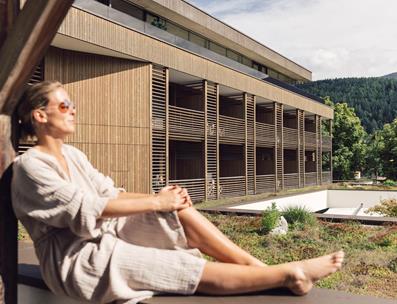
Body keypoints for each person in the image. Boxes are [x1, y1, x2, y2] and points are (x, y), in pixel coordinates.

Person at [12, 81, 344, 303]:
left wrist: (163, 200)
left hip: (103, 231)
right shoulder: (31, 166)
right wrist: (156, 200)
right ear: (40, 115)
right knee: (173, 266)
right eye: (66, 104)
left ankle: (255, 265)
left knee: (178, 211)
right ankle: (288, 274)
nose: (74, 110)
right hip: (75, 258)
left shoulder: (73, 155)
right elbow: (85, 208)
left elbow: (109, 192)